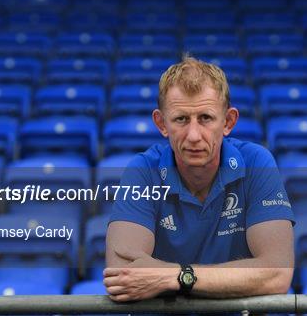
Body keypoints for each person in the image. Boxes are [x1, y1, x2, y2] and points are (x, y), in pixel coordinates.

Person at [104, 56, 295, 301]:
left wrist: (175, 276)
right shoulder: (142, 171)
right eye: (181, 119)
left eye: (205, 118)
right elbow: (123, 277)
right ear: (161, 124)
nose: (194, 135)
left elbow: (276, 274)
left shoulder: (257, 162)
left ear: (228, 122)